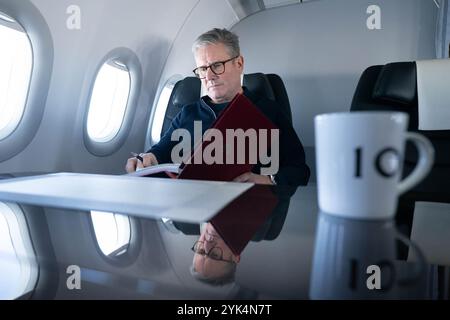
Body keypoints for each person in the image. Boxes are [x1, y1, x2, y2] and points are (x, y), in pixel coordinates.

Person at [125, 28, 310, 186]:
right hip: (194, 211)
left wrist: (268, 180)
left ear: (239, 63)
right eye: (203, 69)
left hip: (248, 211)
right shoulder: (188, 114)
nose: (209, 76)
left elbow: (299, 171)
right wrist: (145, 161)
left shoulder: (267, 111)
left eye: (217, 65)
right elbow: (160, 154)